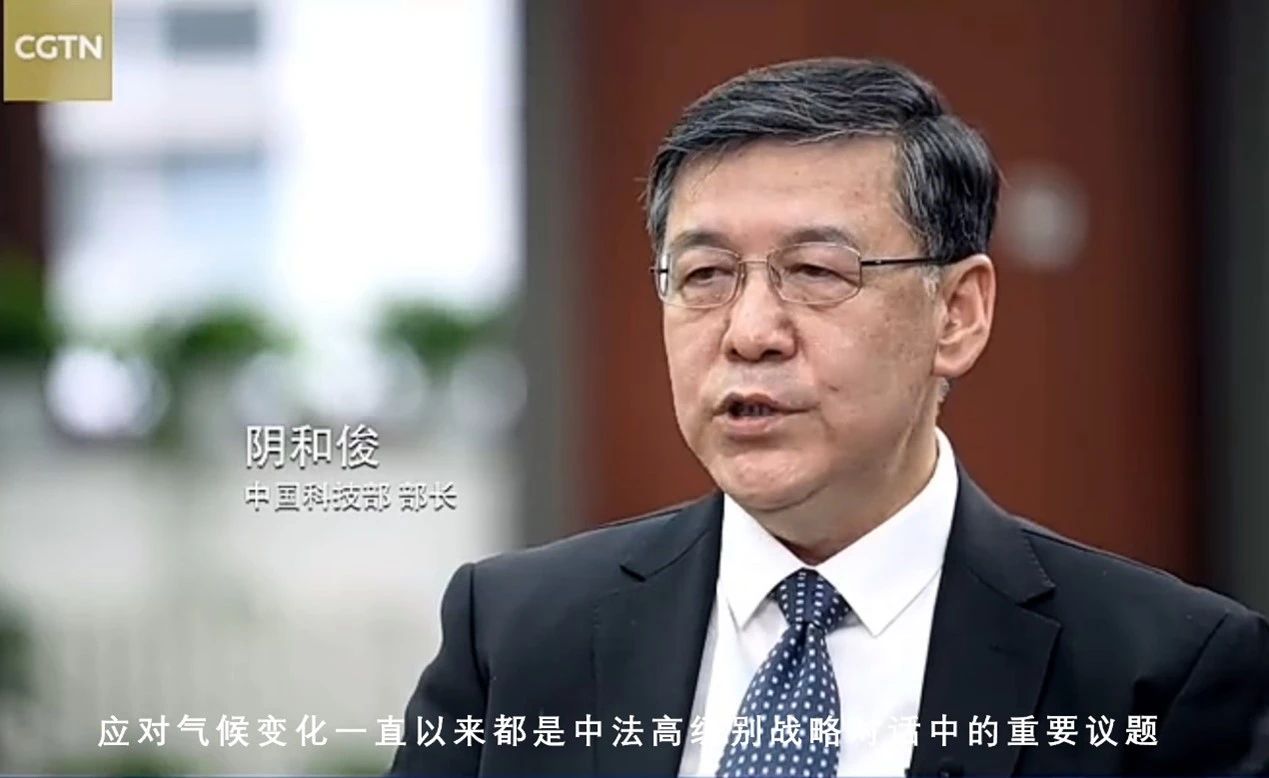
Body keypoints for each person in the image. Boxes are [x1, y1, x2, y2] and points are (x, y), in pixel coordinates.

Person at [388, 58, 1269, 777]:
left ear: (956, 313)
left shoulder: (1163, 671)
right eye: (704, 276)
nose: (749, 332)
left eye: (815, 272)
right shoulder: (512, 633)